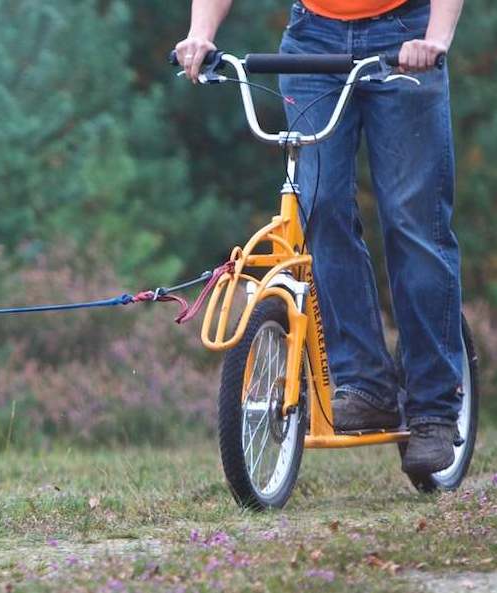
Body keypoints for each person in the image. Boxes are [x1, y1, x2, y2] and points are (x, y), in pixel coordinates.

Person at [173, 0, 465, 475]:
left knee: (412, 223)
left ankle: (434, 408)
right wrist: (200, 33)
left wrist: (435, 39)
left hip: (406, 37)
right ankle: (364, 383)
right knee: (318, 209)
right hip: (313, 41)